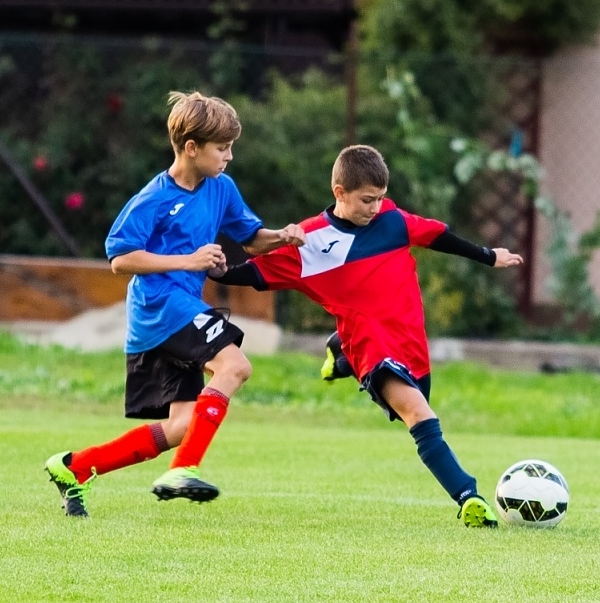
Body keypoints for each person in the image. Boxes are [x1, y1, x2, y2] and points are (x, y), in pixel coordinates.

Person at [209, 144, 522, 528]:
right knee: (418, 413)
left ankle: (340, 356)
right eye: (366, 200)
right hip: (371, 346)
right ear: (340, 193)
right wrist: (218, 271)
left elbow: (438, 236)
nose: (375, 207)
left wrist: (488, 255)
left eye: (380, 198)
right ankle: (468, 497)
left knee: (419, 401)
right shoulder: (311, 240)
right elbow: (257, 273)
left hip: (409, 340)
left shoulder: (392, 219)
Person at [44, 92, 306, 516]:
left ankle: (75, 467)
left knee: (183, 425)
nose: (230, 156)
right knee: (235, 366)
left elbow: (251, 239)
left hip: (179, 309)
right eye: (222, 148)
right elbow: (120, 258)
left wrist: (282, 236)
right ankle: (183, 469)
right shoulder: (155, 197)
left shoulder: (221, 188)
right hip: (160, 307)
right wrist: (189, 260)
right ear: (191, 147)